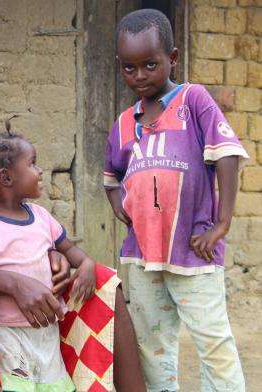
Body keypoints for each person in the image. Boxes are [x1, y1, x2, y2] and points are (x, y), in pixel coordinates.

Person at [0, 41, 145, 392]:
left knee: (103, 283)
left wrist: (51, 253)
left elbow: (18, 218)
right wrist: (14, 282)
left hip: (4, 289)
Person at [105, 9, 248, 392]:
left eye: (150, 64)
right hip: (142, 255)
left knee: (213, 342)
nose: (139, 76)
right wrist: (118, 203)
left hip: (193, 250)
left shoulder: (194, 100)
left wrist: (222, 223)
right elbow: (111, 177)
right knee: (153, 346)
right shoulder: (123, 123)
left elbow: (227, 155)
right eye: (129, 68)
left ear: (173, 58)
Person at [0, 127, 110, 390]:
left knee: (56, 386)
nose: (40, 170)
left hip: (47, 328)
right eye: (32, 164)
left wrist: (87, 266)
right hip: (7, 331)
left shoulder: (41, 217)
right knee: (19, 386)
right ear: (6, 177)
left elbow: (76, 255)